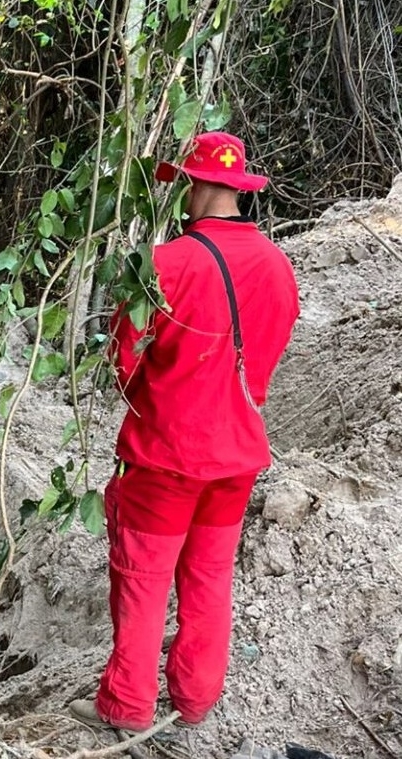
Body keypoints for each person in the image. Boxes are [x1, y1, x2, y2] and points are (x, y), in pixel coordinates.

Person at [68, 131, 300, 731]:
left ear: (193, 186)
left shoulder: (165, 264)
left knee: (143, 581)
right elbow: (270, 350)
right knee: (209, 577)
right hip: (236, 457)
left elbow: (124, 362)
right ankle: (195, 700)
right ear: (237, 188)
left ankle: (127, 705)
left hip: (165, 459)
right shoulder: (278, 266)